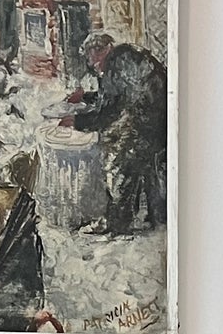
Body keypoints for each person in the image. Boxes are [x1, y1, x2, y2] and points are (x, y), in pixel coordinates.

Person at [64, 31, 167, 236]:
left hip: (147, 123)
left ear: (101, 51)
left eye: (94, 63)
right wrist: (85, 96)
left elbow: (109, 111)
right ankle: (156, 217)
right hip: (161, 121)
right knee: (147, 168)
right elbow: (116, 96)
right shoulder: (126, 56)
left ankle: (117, 224)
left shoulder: (115, 65)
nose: (95, 68)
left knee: (119, 165)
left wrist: (77, 121)